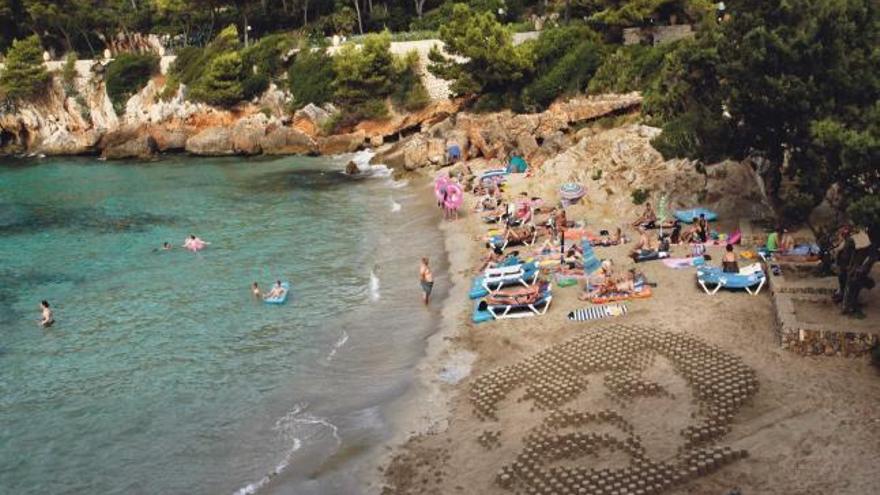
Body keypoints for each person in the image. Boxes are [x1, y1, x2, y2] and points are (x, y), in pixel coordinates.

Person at [832, 226, 855, 303]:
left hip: (846, 263)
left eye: (844, 233)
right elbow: (838, 251)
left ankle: (843, 297)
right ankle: (841, 295)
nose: (842, 235)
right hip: (842, 263)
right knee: (841, 279)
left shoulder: (850, 241)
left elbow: (852, 254)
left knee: (844, 280)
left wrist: (850, 264)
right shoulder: (845, 241)